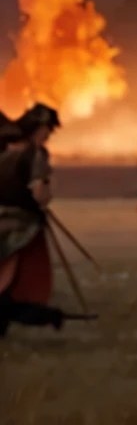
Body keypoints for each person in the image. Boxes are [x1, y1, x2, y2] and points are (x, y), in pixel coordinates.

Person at [0, 104, 68, 334]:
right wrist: (45, 197)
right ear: (39, 129)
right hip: (23, 226)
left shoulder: (5, 152)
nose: (49, 135)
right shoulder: (33, 155)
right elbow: (39, 192)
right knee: (18, 283)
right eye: (48, 129)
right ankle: (39, 315)